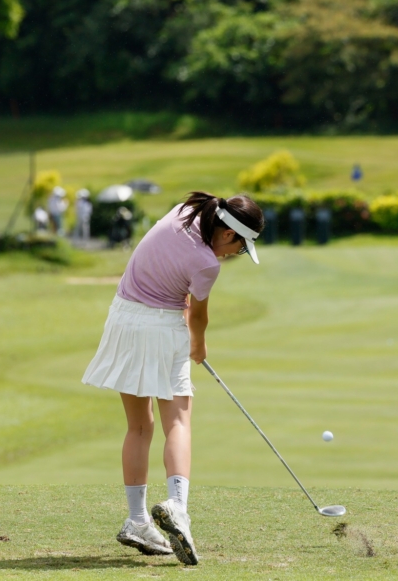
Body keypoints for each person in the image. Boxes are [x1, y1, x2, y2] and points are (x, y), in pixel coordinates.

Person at [81, 192, 264, 566]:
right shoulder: (207, 263)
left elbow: (166, 271)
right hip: (162, 328)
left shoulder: (183, 212)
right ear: (229, 235)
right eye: (241, 248)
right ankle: (178, 508)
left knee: (138, 426)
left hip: (122, 318)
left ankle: (137, 521)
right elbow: (197, 317)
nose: (235, 254)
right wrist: (198, 346)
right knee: (178, 421)